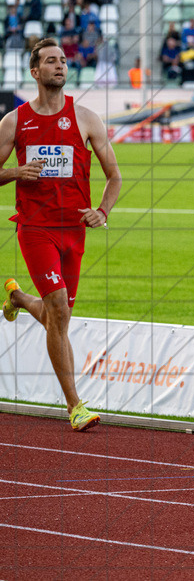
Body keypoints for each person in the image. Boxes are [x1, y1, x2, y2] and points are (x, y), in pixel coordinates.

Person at [0, 38, 122, 431]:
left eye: (63, 61)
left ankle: (17, 296)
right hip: (36, 229)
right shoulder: (14, 121)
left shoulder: (86, 118)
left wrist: (102, 210)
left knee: (59, 318)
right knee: (60, 311)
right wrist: (16, 173)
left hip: (75, 231)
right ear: (35, 72)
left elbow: (115, 176)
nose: (59, 66)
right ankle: (75, 406)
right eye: (50, 61)